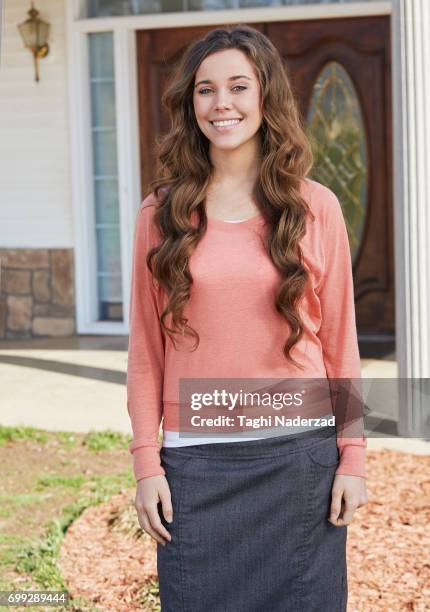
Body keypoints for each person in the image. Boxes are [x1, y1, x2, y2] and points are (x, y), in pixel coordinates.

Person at [126, 24, 368, 612]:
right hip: (197, 464)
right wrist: (145, 465)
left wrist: (353, 458)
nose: (221, 104)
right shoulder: (160, 214)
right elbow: (144, 353)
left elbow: (340, 342)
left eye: (238, 86)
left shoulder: (316, 207)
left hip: (299, 460)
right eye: (205, 90)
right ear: (191, 102)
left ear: (265, 96)